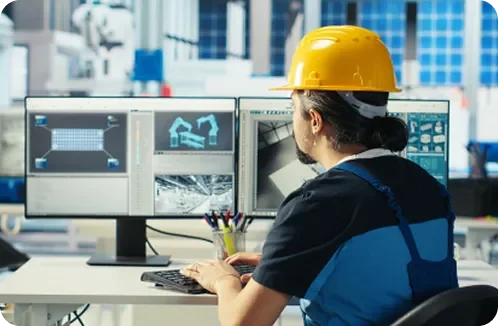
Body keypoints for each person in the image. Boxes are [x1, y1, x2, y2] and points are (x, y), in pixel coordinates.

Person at [180, 25, 458, 326]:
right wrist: (288, 266)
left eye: (293, 107)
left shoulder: (316, 204)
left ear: (314, 119)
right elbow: (387, 283)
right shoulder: (429, 187)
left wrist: (223, 280)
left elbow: (242, 323)